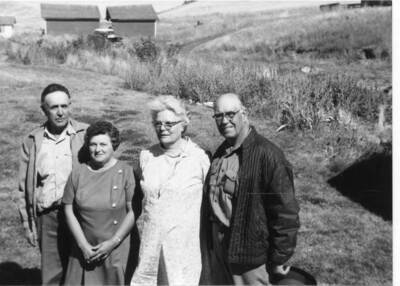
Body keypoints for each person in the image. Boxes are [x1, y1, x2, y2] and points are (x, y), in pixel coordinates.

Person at [200, 93, 300, 285]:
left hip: (249, 253)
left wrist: (280, 258)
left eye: (230, 114)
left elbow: (286, 213)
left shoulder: (268, 155)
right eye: (218, 116)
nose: (224, 121)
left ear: (244, 113)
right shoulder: (222, 152)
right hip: (219, 248)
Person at [131, 96, 210, 286]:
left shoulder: (199, 158)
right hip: (153, 242)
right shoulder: (146, 157)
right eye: (158, 123)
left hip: (185, 245)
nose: (162, 128)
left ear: (183, 125)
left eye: (169, 123)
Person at [16, 83, 88, 285]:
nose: (60, 112)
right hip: (48, 215)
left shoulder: (84, 134)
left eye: (64, 106)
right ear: (44, 110)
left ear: (70, 106)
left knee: (81, 269)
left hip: (80, 213)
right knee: (52, 274)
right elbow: (23, 187)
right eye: (54, 107)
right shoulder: (33, 140)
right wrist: (27, 223)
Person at [62, 121, 136, 285]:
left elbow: (133, 212)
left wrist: (113, 242)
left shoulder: (126, 171)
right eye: (93, 144)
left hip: (115, 249)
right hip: (83, 250)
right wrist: (83, 246)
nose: (97, 149)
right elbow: (68, 209)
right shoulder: (78, 172)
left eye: (103, 144)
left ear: (113, 145)